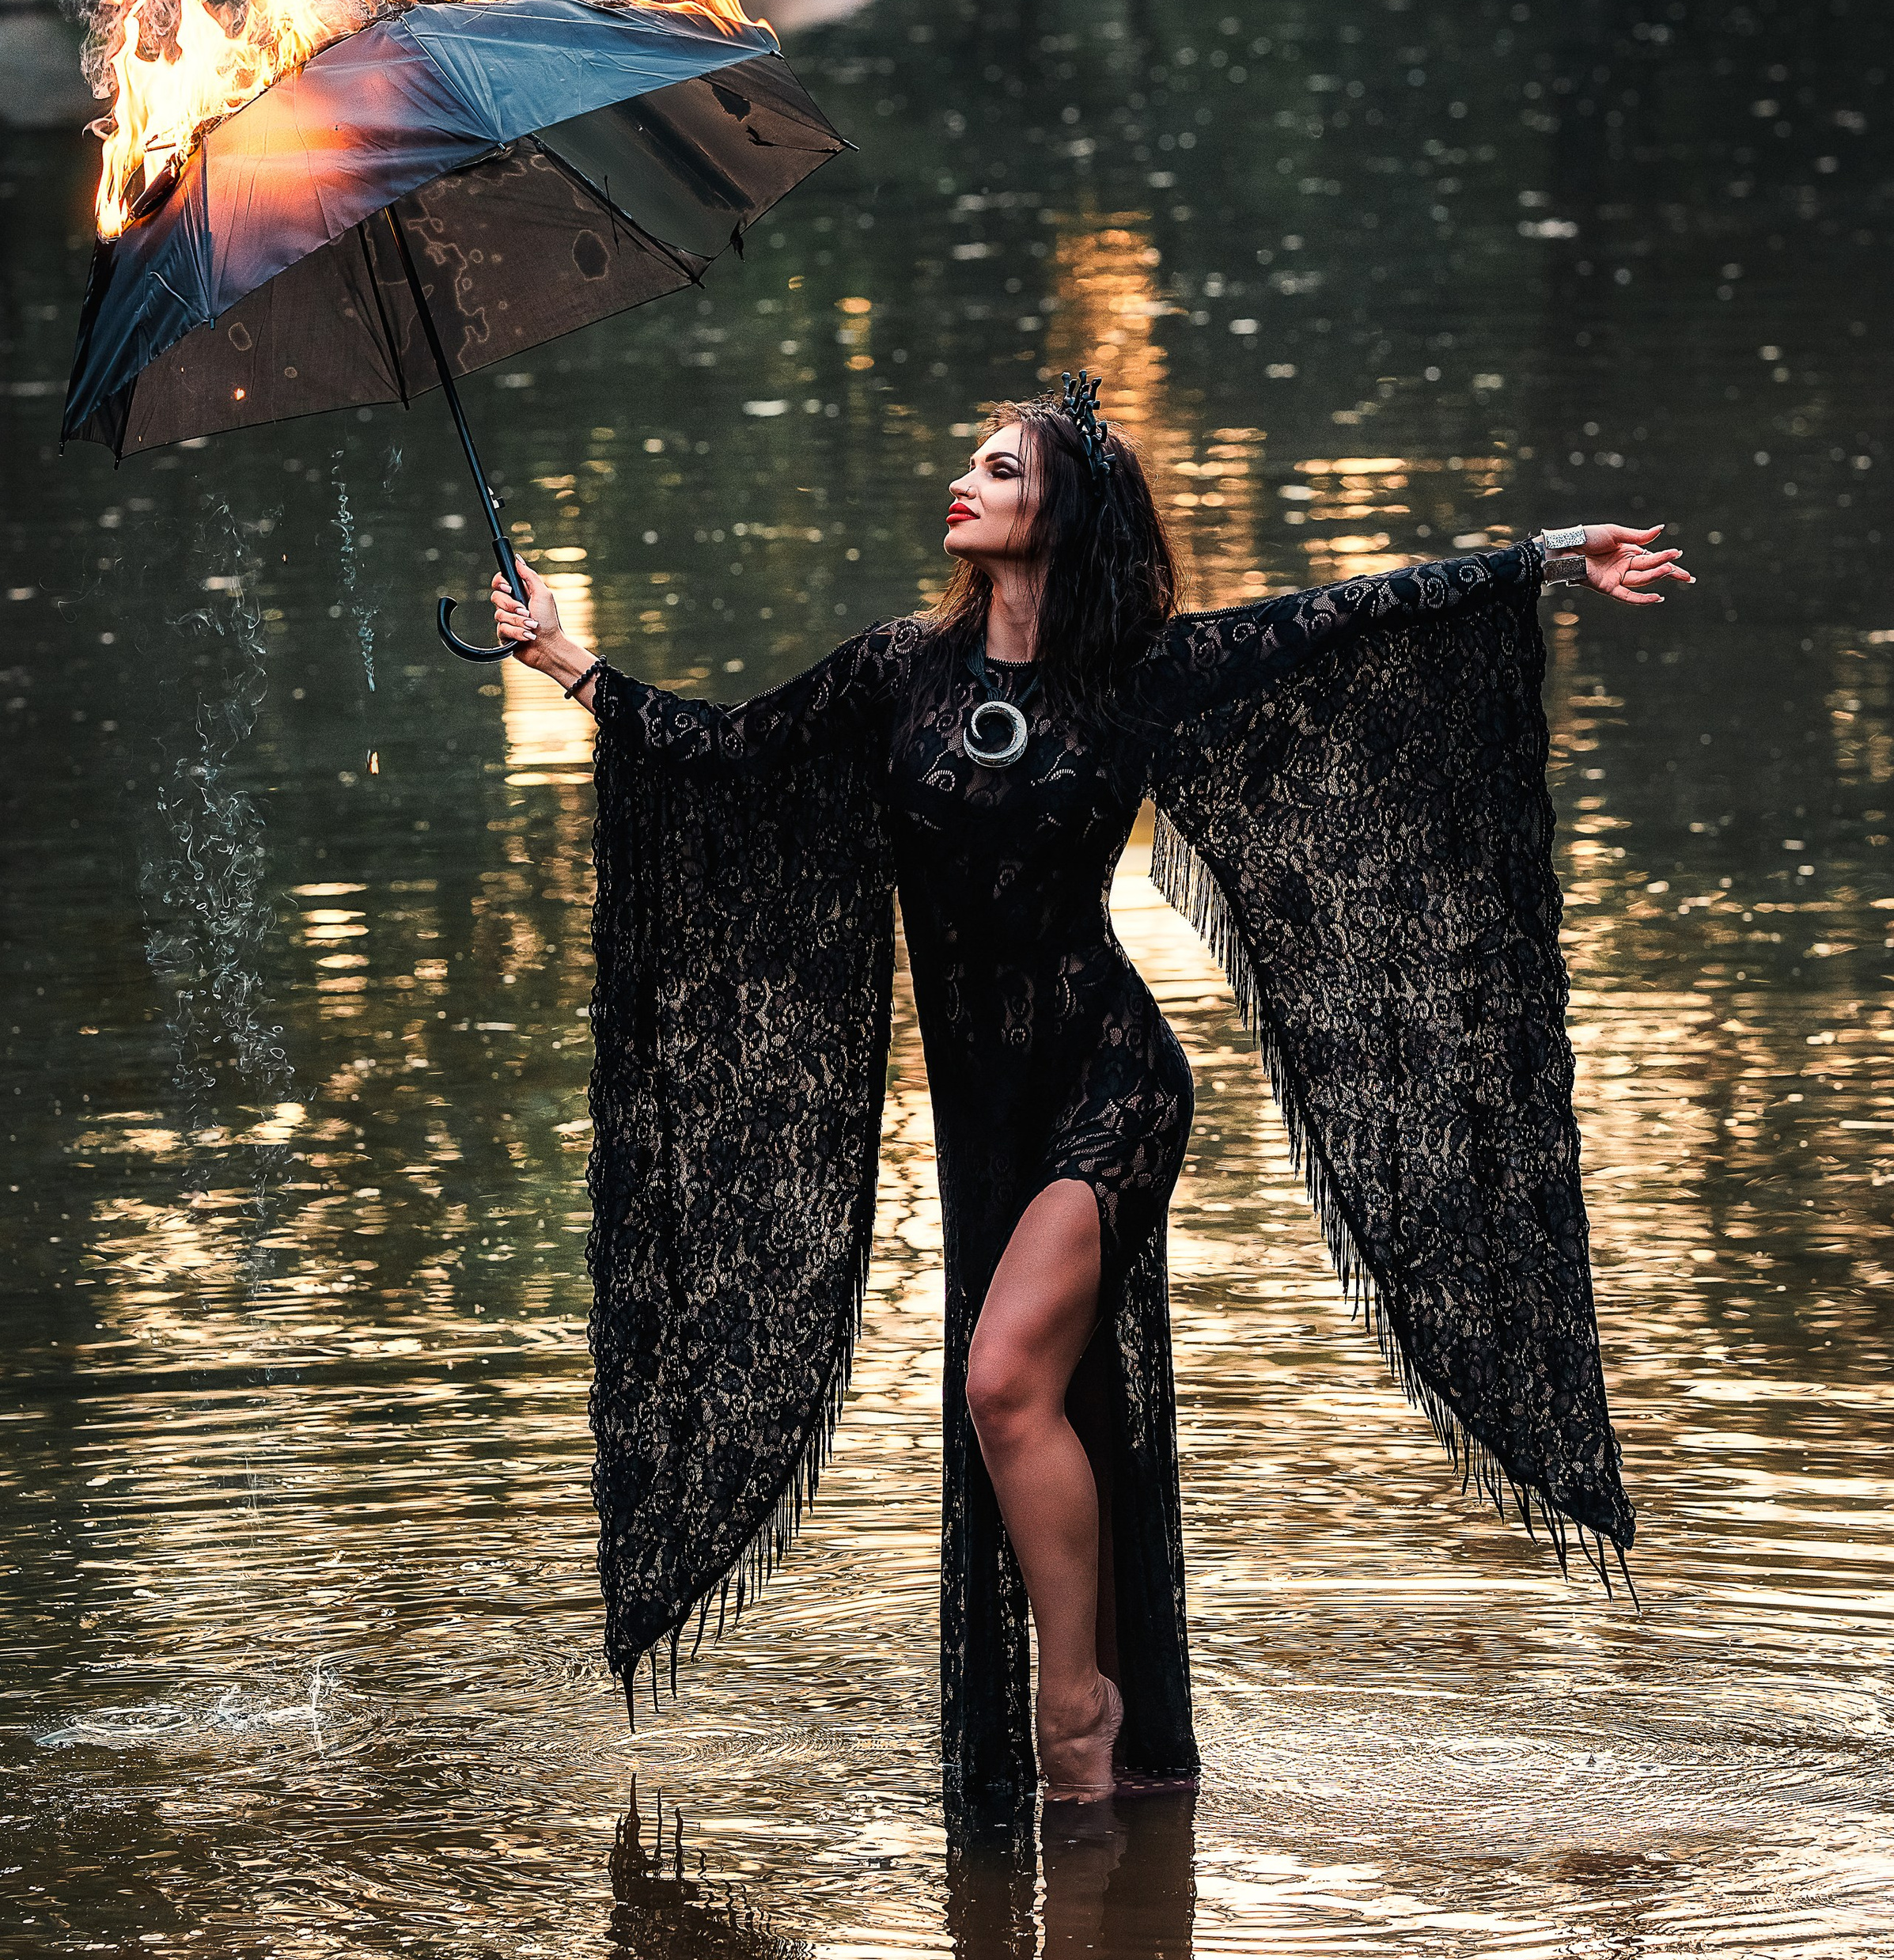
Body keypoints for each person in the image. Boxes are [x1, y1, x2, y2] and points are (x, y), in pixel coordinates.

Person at [491, 377, 1690, 1809]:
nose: (967, 480)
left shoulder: (1136, 675)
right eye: (971, 463)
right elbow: (735, 757)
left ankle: (1078, 1707)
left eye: (1001, 468)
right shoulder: (897, 673)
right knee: (1035, 1400)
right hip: (983, 1110)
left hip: (1114, 1090)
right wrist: (569, 661)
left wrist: (1551, 555)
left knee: (1003, 1386)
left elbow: (1348, 618)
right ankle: (1093, 1734)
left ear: (1061, 513)